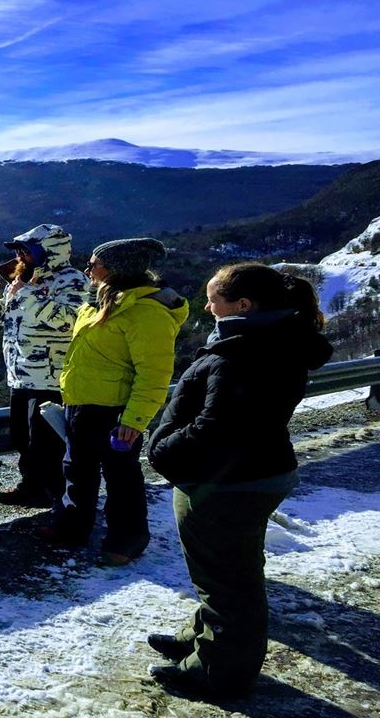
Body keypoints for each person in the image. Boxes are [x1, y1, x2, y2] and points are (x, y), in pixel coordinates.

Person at [145, 263, 332, 699]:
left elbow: (217, 426)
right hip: (258, 471)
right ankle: (200, 642)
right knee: (231, 571)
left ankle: (217, 672)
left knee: (228, 581)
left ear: (243, 305)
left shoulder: (243, 353)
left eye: (215, 299)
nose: (207, 306)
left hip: (227, 483)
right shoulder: (277, 339)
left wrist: (162, 450)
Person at [40, 237, 188, 564]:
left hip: (116, 412)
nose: (88, 269)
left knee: (121, 477)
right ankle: (73, 528)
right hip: (82, 403)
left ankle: (128, 538)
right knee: (78, 470)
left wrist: (134, 421)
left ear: (115, 269)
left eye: (94, 264)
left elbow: (154, 373)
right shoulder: (98, 302)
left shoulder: (147, 312)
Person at [0, 224, 88, 508]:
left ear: (49, 252)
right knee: (24, 439)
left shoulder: (71, 280)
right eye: (20, 250)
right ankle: (31, 488)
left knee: (46, 444)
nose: (22, 256)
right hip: (20, 375)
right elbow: (4, 318)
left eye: (27, 250)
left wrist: (27, 294)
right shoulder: (24, 280)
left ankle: (58, 497)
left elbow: (69, 320)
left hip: (51, 377)